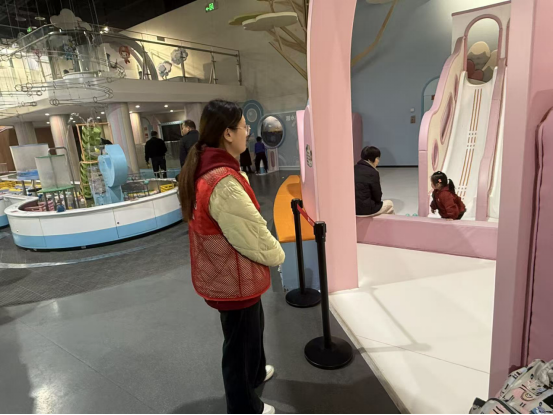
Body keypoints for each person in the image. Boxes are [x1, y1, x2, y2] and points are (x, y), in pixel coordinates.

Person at [178, 100, 285, 415]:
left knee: (253, 329)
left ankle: (255, 373)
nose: (247, 132)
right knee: (238, 345)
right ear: (227, 133)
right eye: (243, 127)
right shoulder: (222, 180)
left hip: (232, 273)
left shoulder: (207, 167)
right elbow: (252, 234)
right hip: (233, 277)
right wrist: (278, 255)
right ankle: (243, 408)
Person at [354, 146, 395, 216]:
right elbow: (377, 196)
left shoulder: (354, 168)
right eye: (378, 158)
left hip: (353, 208)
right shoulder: (373, 172)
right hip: (366, 210)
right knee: (389, 204)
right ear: (371, 159)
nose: (378, 161)